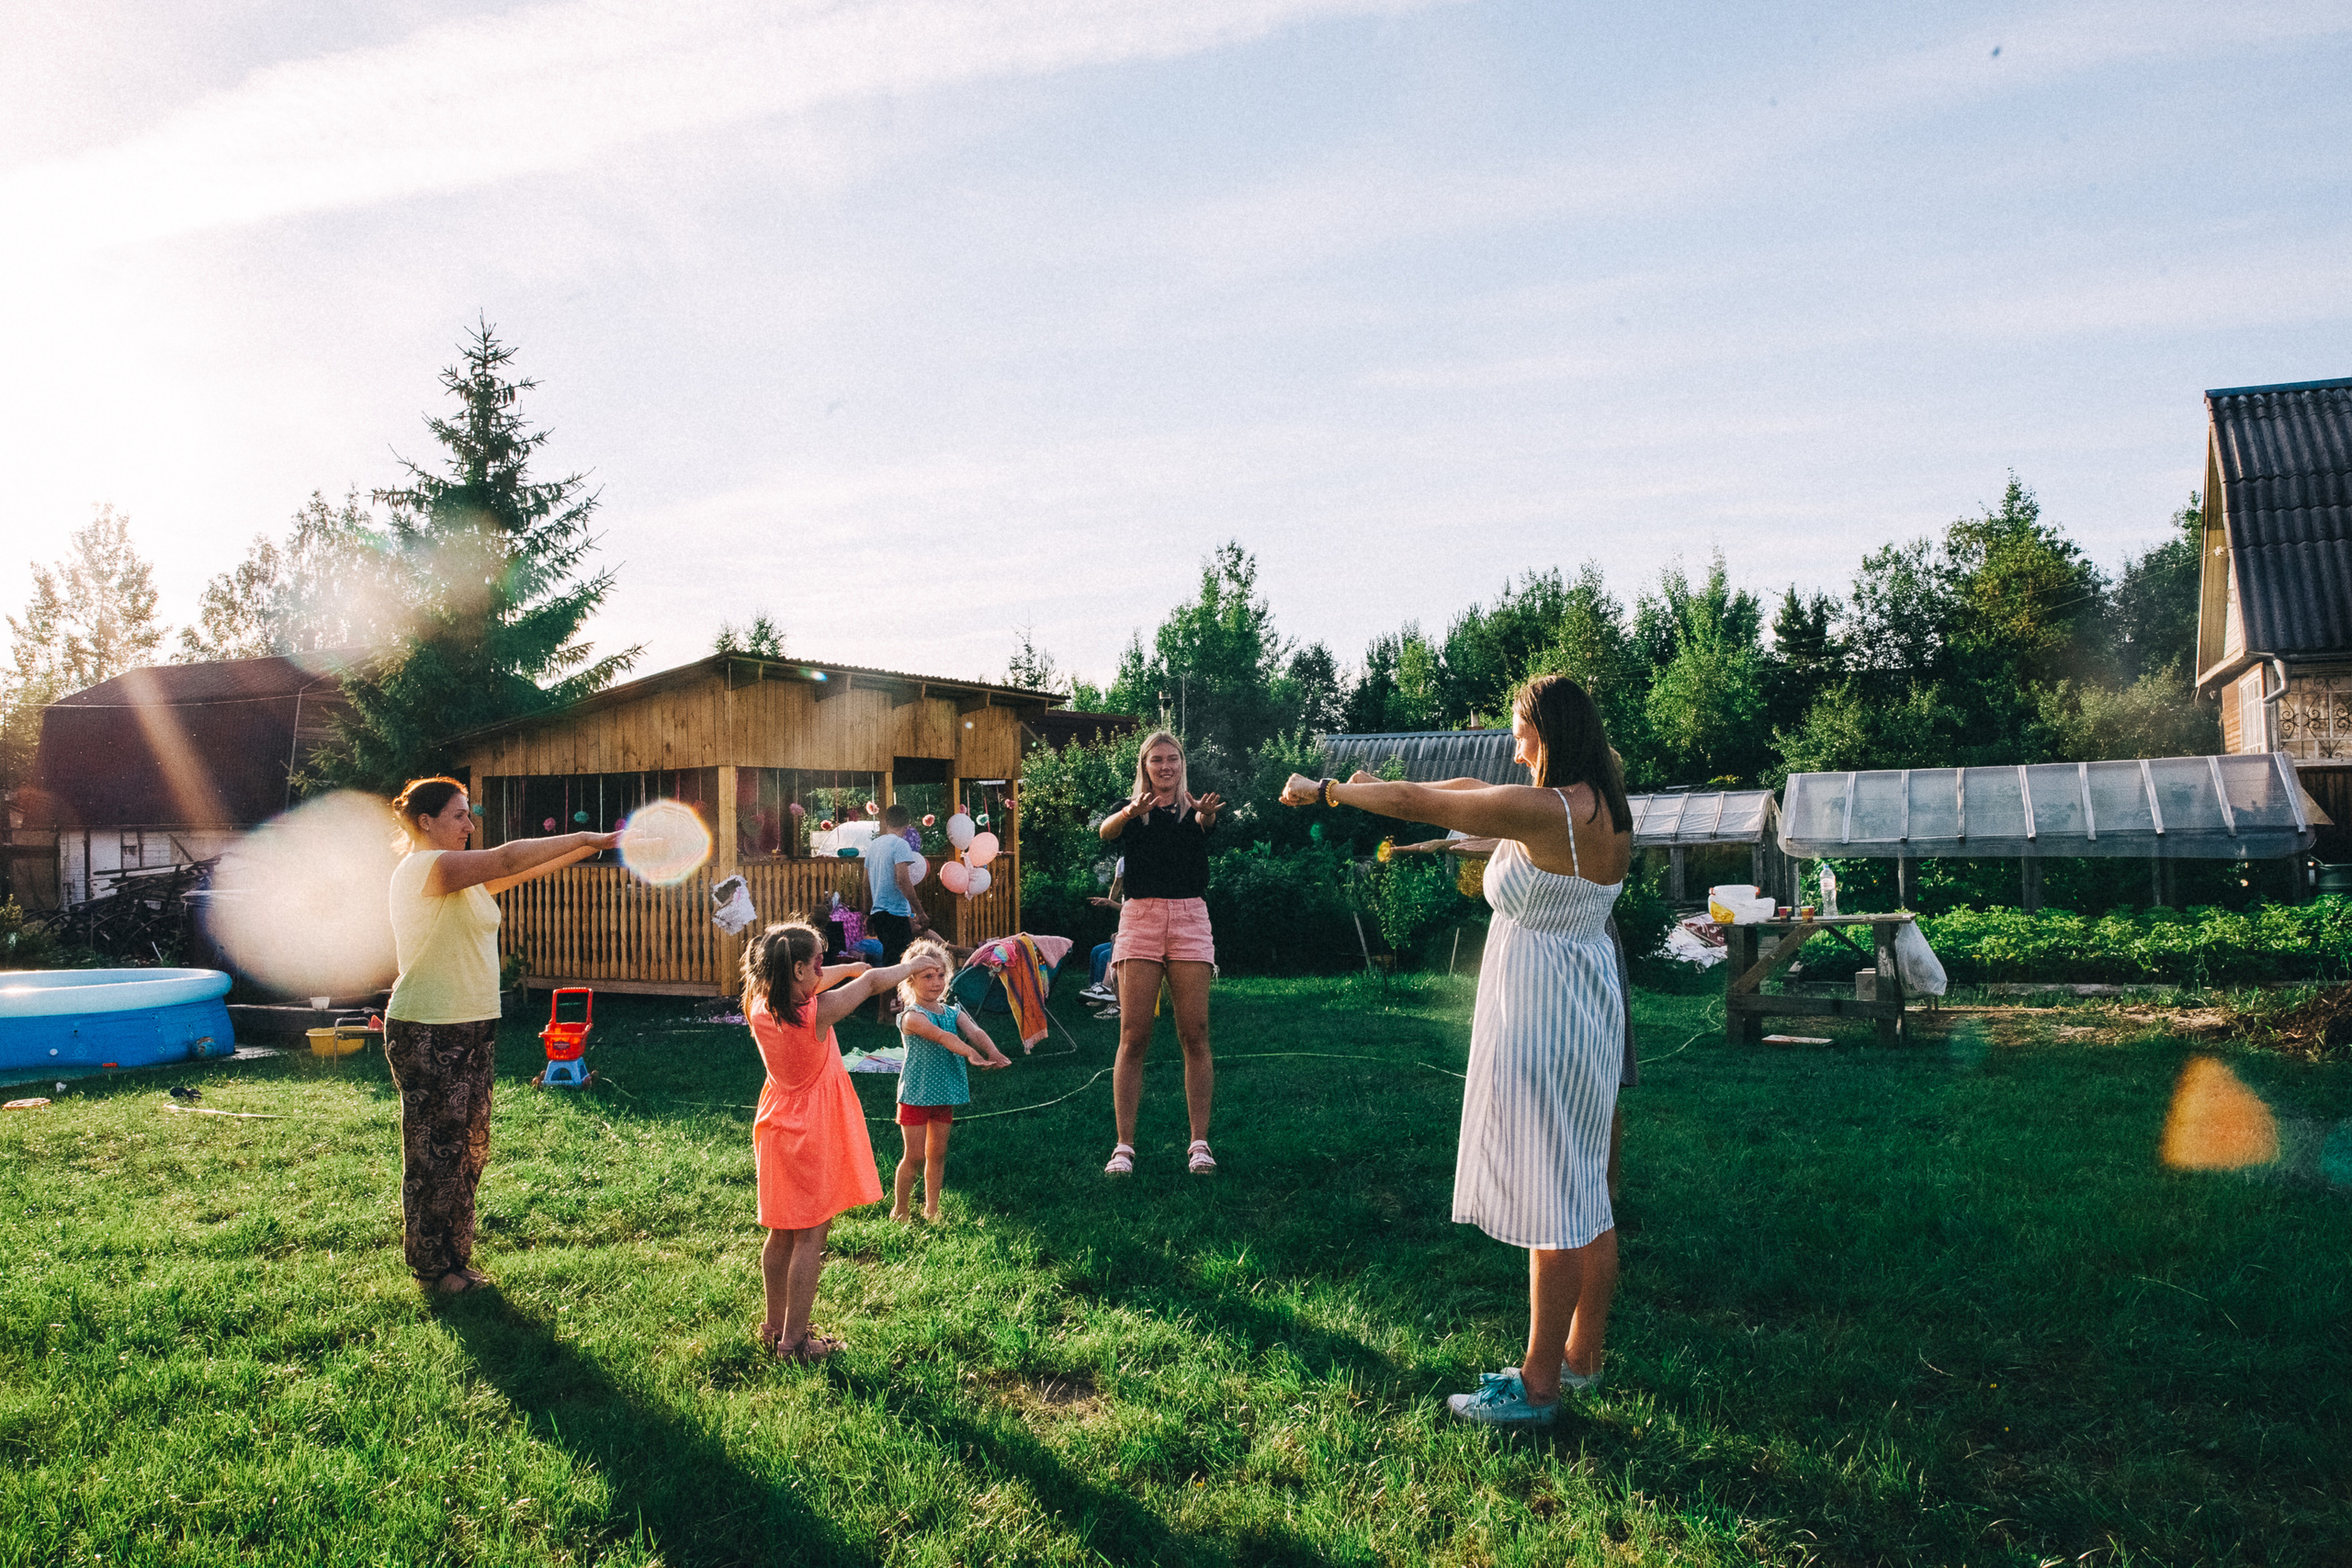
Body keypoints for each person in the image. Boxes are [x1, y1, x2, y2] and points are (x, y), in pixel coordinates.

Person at [1282, 674, 1633, 1427]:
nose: (1515, 747)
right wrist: (1370, 786)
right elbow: (1468, 790)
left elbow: (1424, 800)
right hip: (1587, 1007)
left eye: (1521, 732)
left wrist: (1330, 790)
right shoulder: (1598, 803)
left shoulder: (1548, 809)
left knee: (1553, 1199)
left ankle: (1538, 1388)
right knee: (1585, 1189)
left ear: (1551, 730)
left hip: (1545, 1015)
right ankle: (1582, 1360)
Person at [384, 776, 617, 1296]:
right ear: (426, 821)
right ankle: (431, 1270)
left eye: (469, 815)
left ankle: (455, 1260)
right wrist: (589, 836)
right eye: (459, 815)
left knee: (468, 1150)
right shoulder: (426, 869)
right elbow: (509, 857)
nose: (470, 825)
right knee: (435, 1153)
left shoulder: (462, 879)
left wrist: (590, 846)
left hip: (472, 1022)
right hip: (429, 1026)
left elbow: (524, 868)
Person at [741, 920, 921, 1360]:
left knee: (782, 1232)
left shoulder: (759, 1001)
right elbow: (873, 984)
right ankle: (795, 1344)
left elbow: (824, 980)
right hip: (811, 1128)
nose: (823, 972)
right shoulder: (814, 1014)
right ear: (798, 970)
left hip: (775, 1124)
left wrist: (849, 967)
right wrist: (914, 965)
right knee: (811, 1235)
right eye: (818, 964)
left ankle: (774, 1328)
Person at [1096, 730, 1224, 1177]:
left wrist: (1206, 816)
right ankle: (1123, 1147)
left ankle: (1199, 1144)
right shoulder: (1133, 810)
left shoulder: (1195, 809)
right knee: (1133, 1035)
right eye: (1157, 760)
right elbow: (1106, 831)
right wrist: (1129, 812)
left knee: (1195, 1033)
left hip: (1190, 918)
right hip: (1141, 919)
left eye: (1173, 758)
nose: (1166, 766)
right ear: (1145, 766)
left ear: (1181, 764)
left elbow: (1206, 828)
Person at [890, 936, 1012, 1221]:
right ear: (910, 980)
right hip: (916, 1096)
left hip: (944, 1094)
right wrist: (971, 1054)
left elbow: (976, 1032)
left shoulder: (952, 1012)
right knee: (914, 1156)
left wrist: (993, 1052)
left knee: (937, 1155)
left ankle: (932, 1208)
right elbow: (943, 1037)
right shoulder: (912, 1017)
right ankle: (900, 1209)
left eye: (941, 975)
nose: (936, 982)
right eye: (927, 976)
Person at [861, 804, 926, 1018]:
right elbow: (903, 880)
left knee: (892, 960)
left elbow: (865, 883)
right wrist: (920, 911)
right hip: (895, 912)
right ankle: (886, 1013)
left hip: (879, 912)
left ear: (886, 822)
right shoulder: (901, 845)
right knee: (896, 964)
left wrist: (867, 913)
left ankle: (895, 1008)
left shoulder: (874, 846)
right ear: (907, 825)